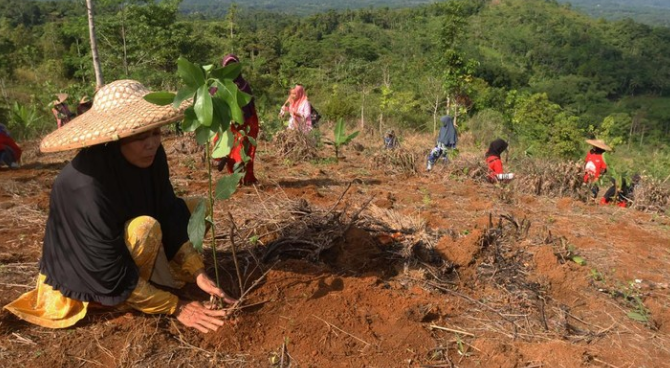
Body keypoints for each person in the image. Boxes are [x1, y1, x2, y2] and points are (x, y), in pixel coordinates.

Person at [4, 80, 236, 333]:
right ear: (118, 138)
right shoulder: (86, 185)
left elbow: (167, 208)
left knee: (198, 208)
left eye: (155, 133)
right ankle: (119, 300)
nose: (152, 144)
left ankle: (157, 278)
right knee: (145, 229)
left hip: (123, 242)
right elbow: (106, 267)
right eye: (140, 137)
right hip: (89, 271)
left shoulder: (153, 155)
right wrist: (177, 306)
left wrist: (197, 271)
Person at [212, 54, 259, 185]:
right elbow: (213, 101)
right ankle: (235, 179)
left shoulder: (244, 85)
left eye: (234, 66)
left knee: (245, 151)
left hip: (245, 124)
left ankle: (247, 178)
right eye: (228, 67)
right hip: (228, 125)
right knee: (232, 151)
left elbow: (249, 106)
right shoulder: (218, 85)